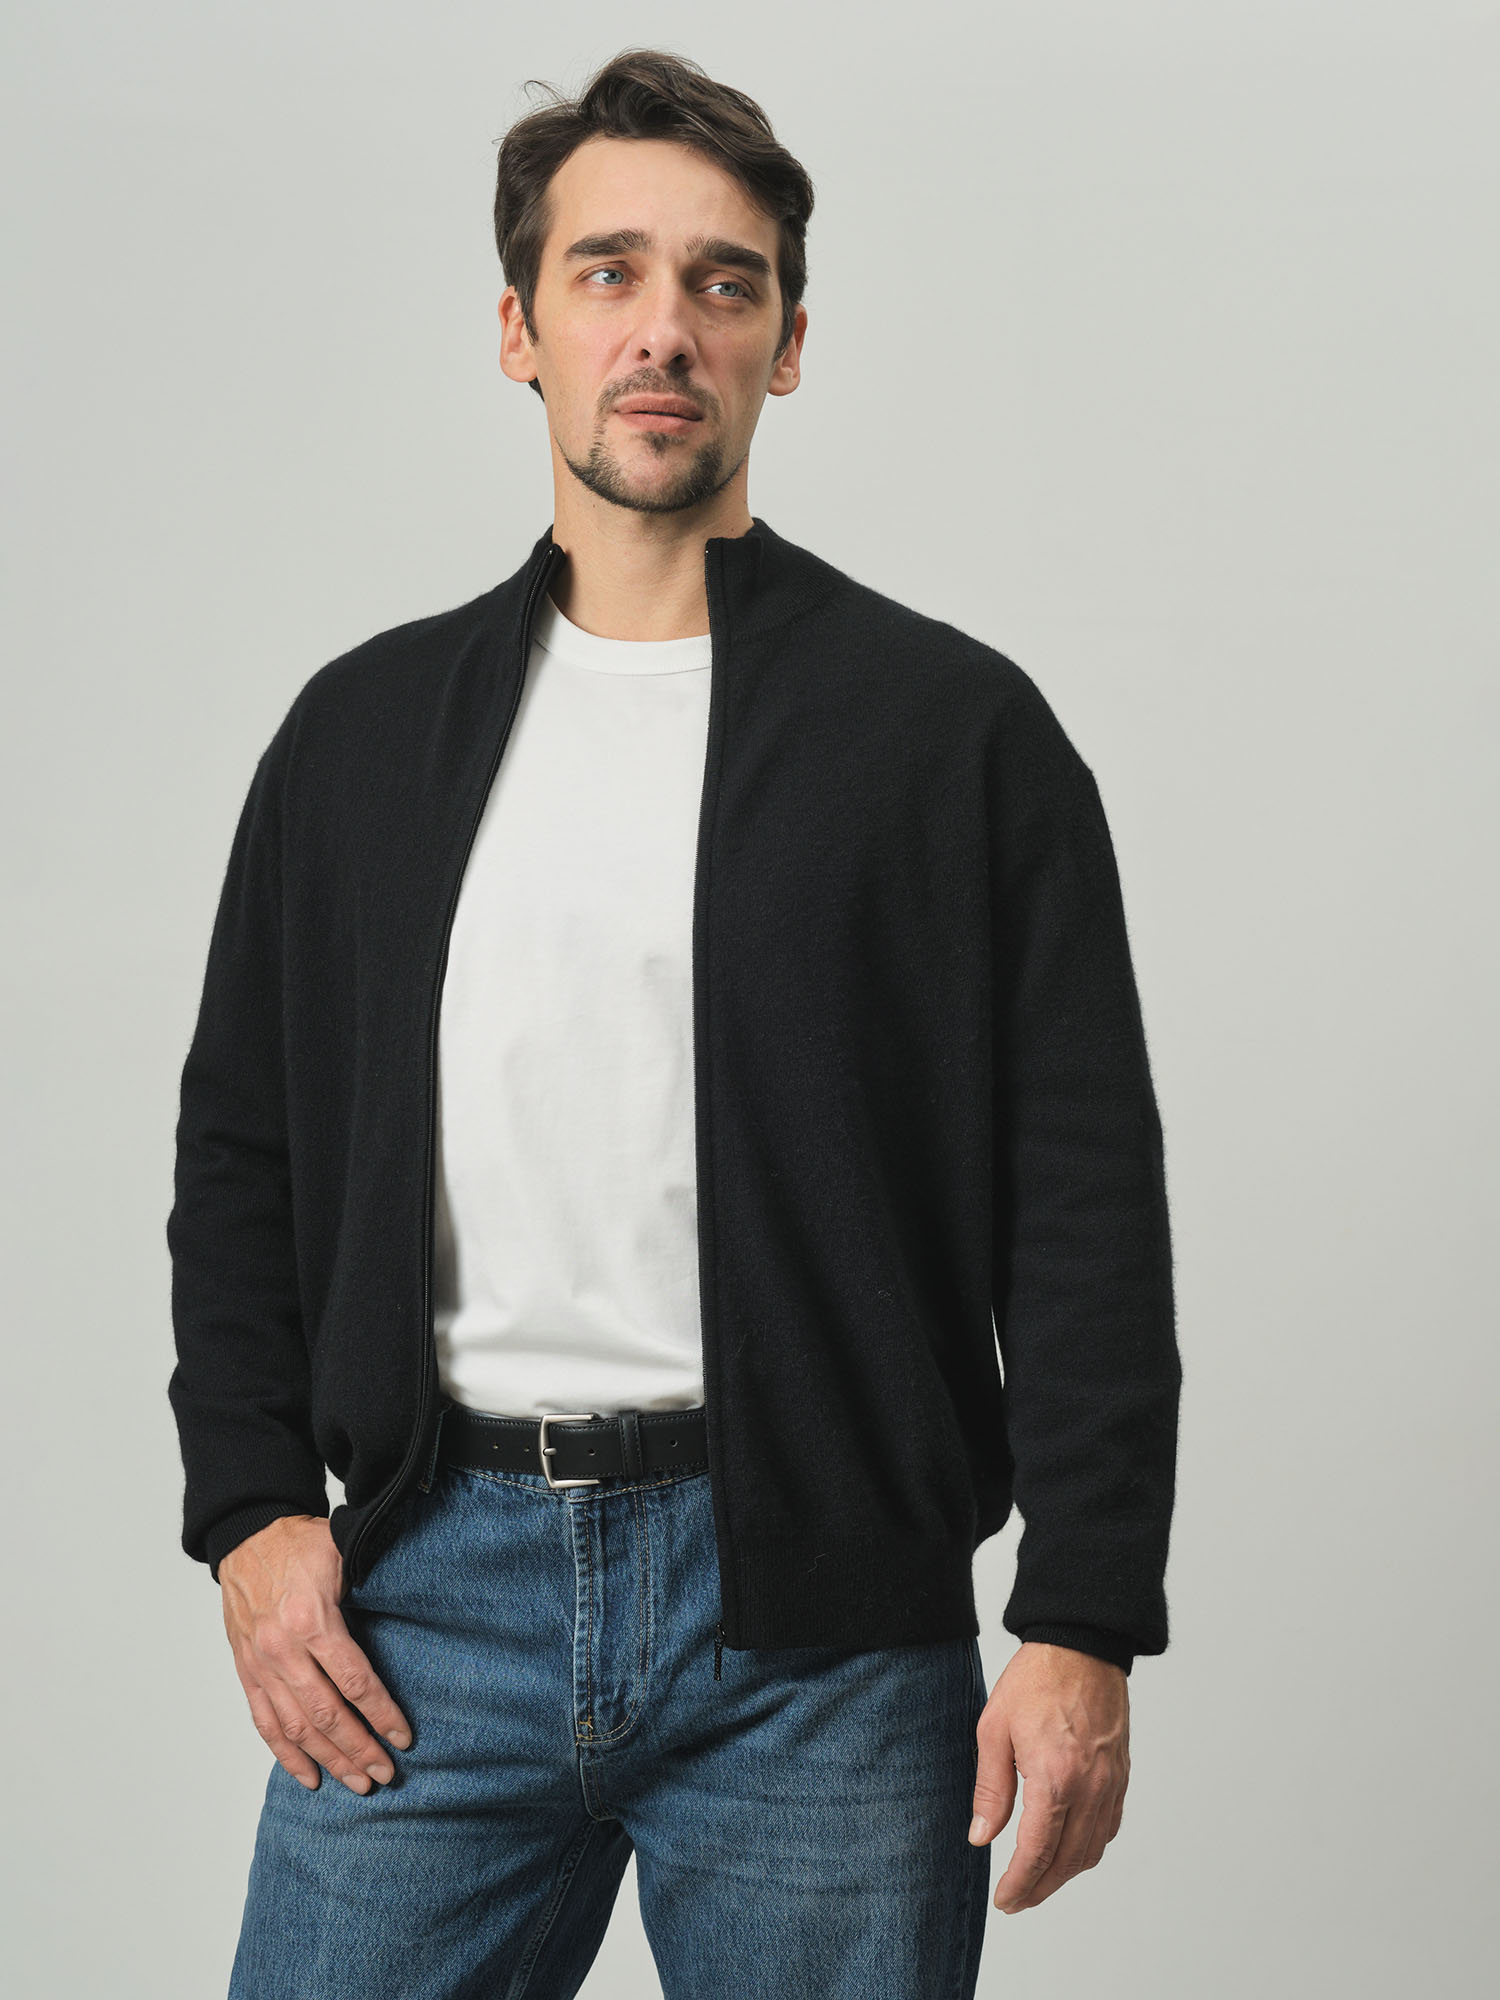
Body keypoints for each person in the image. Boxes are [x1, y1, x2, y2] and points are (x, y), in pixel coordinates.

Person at [166, 46, 1181, 2000]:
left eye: (725, 283)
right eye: (608, 272)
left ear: (787, 345)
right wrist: (252, 1514)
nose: (665, 329)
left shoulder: (951, 739)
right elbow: (244, 1153)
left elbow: (1082, 1203)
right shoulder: (362, 739)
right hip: (428, 1600)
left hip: (827, 1629)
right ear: (518, 330)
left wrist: (1082, 1616)